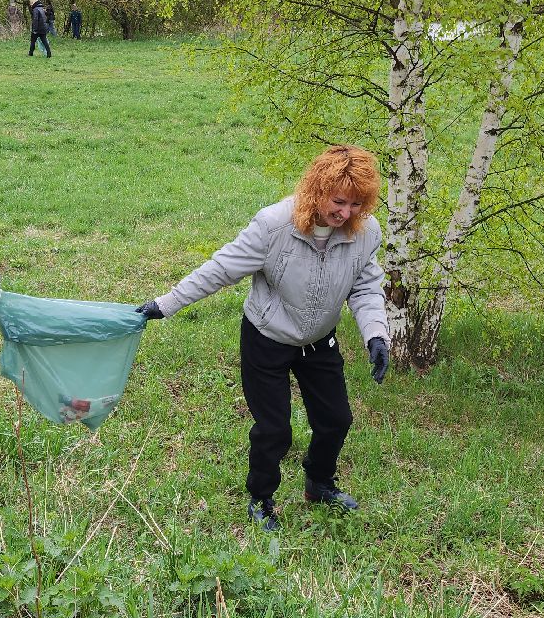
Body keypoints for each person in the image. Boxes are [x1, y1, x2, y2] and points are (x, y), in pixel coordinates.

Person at [136, 145, 391, 532]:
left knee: (337, 419)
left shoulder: (364, 232)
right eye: (339, 202)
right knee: (274, 429)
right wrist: (165, 304)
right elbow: (220, 269)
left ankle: (319, 484)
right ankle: (261, 498)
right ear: (317, 192)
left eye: (356, 204)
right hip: (268, 338)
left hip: (319, 342)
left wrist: (375, 334)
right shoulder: (273, 226)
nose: (346, 214)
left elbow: (366, 286)